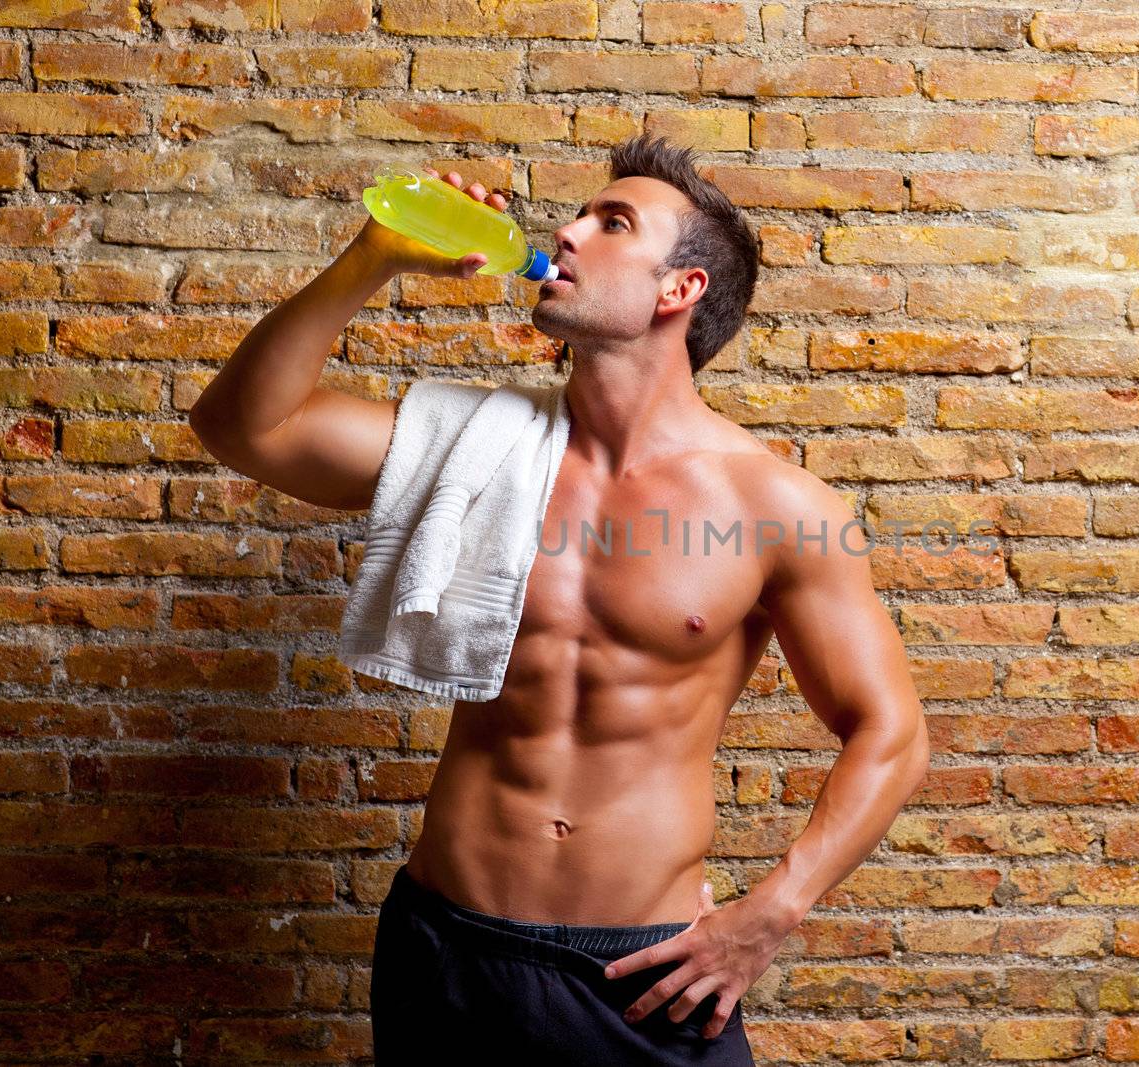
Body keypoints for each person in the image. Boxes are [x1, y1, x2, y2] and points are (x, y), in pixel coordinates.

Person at [187, 134, 932, 1065]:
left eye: (611, 222)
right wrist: (371, 257)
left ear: (679, 289)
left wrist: (770, 911)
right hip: (444, 948)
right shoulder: (472, 449)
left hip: (638, 974)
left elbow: (891, 731)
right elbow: (240, 425)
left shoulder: (775, 506)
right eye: (578, 212)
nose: (567, 231)